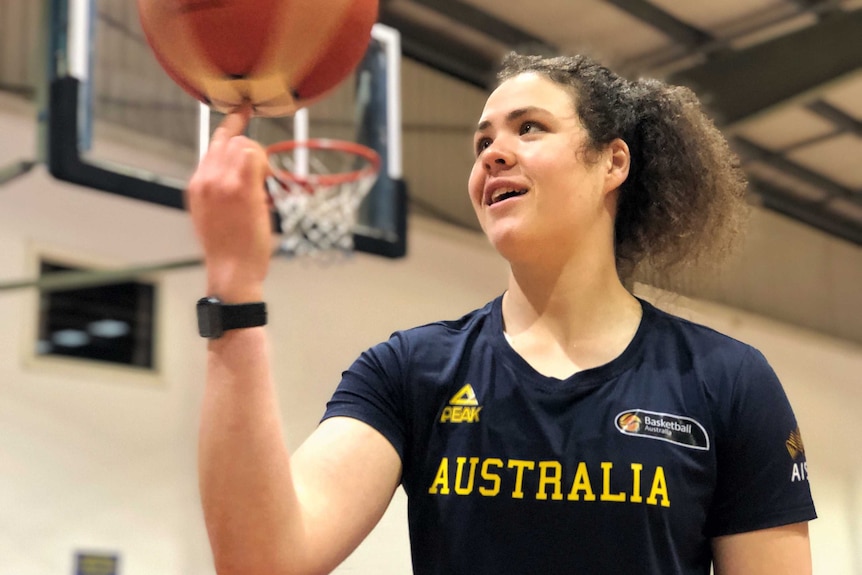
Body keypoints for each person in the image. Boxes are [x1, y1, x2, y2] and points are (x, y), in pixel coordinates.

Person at [186, 52, 816, 575]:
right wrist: (234, 287)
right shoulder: (409, 371)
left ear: (612, 163)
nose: (493, 152)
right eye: (483, 140)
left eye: (529, 128)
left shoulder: (728, 380)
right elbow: (260, 560)